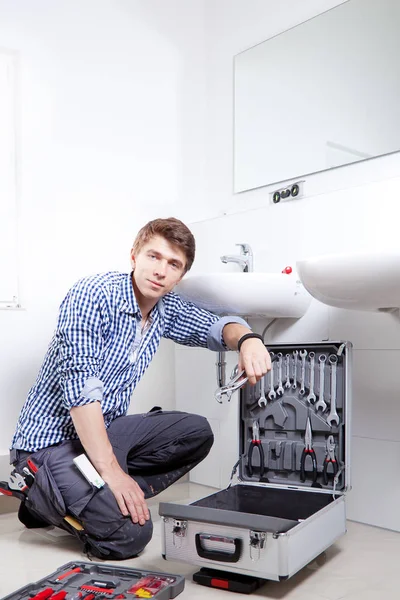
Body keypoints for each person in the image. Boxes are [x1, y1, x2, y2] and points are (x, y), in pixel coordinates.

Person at [8, 217, 271, 560]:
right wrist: (113, 474)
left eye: (173, 264)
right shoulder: (93, 295)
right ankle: (50, 491)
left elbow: (215, 326)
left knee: (196, 432)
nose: (160, 270)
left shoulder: (166, 308)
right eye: (153, 256)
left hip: (101, 433)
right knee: (129, 536)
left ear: (181, 276)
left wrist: (248, 339)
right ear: (134, 255)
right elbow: (81, 392)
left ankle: (71, 497)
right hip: (48, 446)